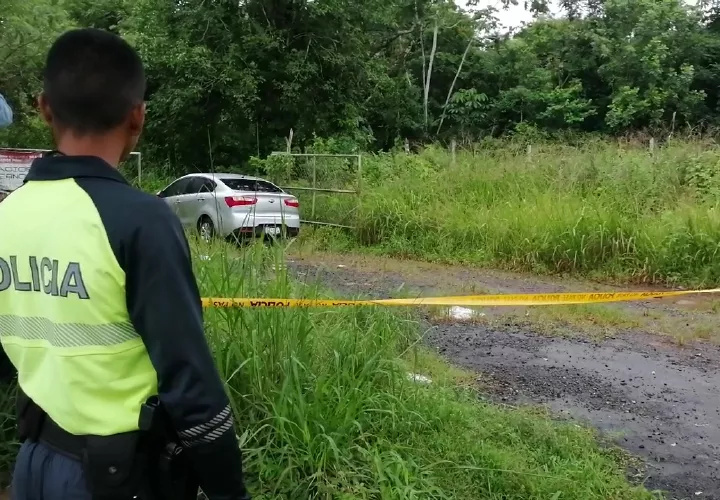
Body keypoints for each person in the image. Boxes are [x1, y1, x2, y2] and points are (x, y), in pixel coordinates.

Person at [0, 28, 251, 500]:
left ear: (43, 108)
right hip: (114, 479)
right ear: (138, 117)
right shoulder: (140, 220)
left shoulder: (7, 213)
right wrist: (228, 490)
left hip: (32, 465)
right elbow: (190, 382)